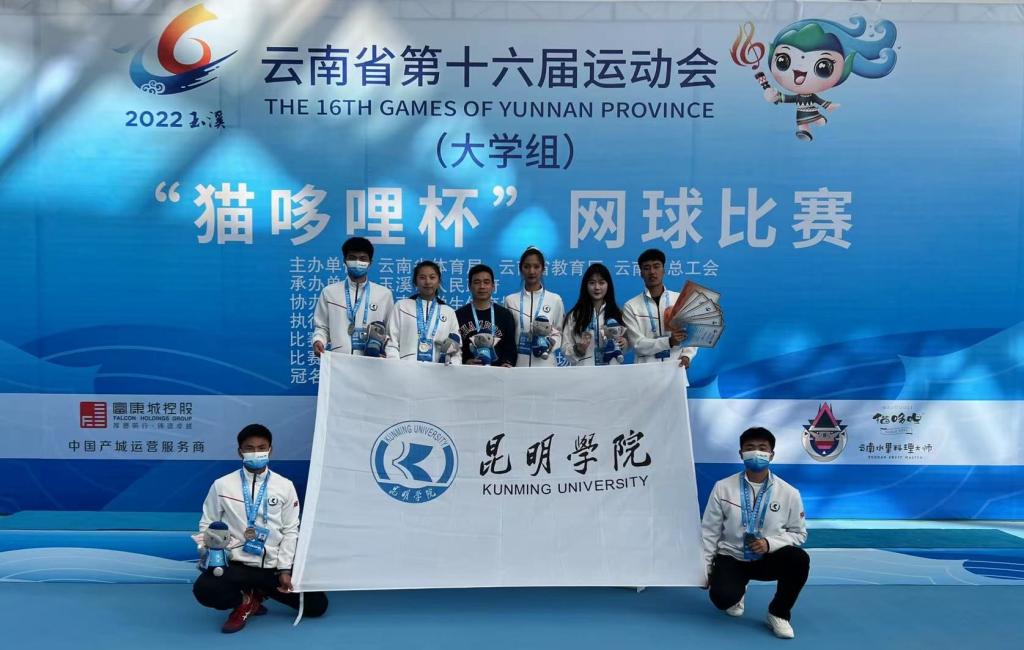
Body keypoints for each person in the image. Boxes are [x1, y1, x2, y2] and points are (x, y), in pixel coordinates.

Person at [193, 424, 329, 633]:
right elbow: (207, 524)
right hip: (237, 566)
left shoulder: (285, 486)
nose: (256, 452)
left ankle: (260, 592)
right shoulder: (222, 485)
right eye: (249, 448)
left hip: (273, 569)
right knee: (205, 590)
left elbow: (291, 530)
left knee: (317, 606)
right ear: (240, 451)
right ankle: (246, 601)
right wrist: (209, 552)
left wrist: (285, 569)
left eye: (261, 447)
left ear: (270, 450)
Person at [700, 427, 809, 640]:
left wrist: (770, 543)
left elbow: (799, 533)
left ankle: (778, 613)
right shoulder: (723, 487)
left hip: (767, 558)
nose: (756, 452)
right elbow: (710, 531)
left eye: (762, 448)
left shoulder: (789, 493)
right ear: (741, 454)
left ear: (771, 454)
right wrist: (704, 569)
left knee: (799, 559)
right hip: (732, 556)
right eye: (750, 448)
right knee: (722, 600)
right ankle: (737, 592)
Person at [312, 236, 394, 357]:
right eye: (352, 258)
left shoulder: (384, 294)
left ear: (370, 263)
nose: (357, 262)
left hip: (372, 361)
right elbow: (322, 327)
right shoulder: (329, 292)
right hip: (340, 360)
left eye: (363, 258)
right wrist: (318, 340)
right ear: (345, 260)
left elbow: (390, 331)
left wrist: (387, 353)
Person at [621, 249, 698, 368]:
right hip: (645, 370)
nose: (652, 272)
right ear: (641, 273)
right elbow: (637, 344)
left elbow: (691, 334)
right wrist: (669, 342)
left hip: (675, 367)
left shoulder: (679, 300)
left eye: (656, 266)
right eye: (647, 268)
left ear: (664, 270)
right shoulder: (631, 306)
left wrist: (687, 355)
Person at [386, 260, 462, 364]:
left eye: (432, 277)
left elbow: (456, 349)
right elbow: (391, 342)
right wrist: (396, 366)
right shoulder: (402, 306)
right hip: (405, 369)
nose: (427, 282)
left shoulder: (449, 312)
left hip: (438, 371)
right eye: (422, 277)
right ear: (415, 282)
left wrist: (451, 366)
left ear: (439, 281)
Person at [503, 246, 564, 367]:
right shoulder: (510, 300)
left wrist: (552, 343)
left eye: (536, 266)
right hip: (518, 365)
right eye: (527, 266)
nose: (531, 271)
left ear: (543, 269)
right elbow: (507, 336)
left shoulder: (555, 299)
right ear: (521, 269)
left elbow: (560, 332)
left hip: (545, 364)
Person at [561, 263, 629, 366]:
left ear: (608, 285)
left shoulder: (617, 313)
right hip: (584, 372)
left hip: (612, 371)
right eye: (592, 283)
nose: (597, 287)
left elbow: (629, 342)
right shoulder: (575, 315)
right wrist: (578, 350)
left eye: (601, 283)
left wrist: (624, 343)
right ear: (586, 285)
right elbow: (565, 346)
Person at [455, 264, 517, 367]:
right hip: (468, 372)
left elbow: (510, 347)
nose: (482, 286)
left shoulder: (505, 315)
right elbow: (456, 348)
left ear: (493, 286)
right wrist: (465, 362)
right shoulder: (458, 315)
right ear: (469, 286)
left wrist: (507, 363)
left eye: (486, 282)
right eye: (477, 282)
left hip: (498, 373)